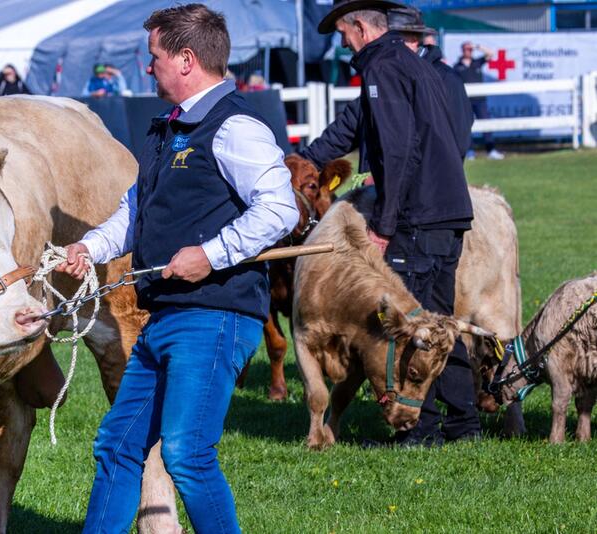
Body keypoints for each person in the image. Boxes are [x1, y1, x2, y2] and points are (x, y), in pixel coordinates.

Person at [57, 4, 299, 532]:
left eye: (155, 57)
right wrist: (90, 248)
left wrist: (210, 254)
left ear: (186, 60)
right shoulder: (167, 131)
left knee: (188, 454)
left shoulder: (235, 126)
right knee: (116, 446)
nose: (148, 67)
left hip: (214, 315)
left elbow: (281, 208)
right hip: (164, 315)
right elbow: (134, 211)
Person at [316, 0, 479, 446]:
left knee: (410, 328)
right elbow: (366, 130)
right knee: (442, 322)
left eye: (343, 32)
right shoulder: (409, 63)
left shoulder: (383, 68)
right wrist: (309, 159)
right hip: (447, 212)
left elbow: (397, 152)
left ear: (361, 28)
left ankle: (418, 429)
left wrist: (384, 226)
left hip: (417, 218)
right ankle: (465, 424)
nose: (343, 41)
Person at [303, 5, 472, 166]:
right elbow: (345, 130)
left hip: (426, 190)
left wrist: (389, 178)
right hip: (387, 188)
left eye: (393, 40)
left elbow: (455, 142)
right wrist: (303, 162)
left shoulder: (446, 80)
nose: (385, 45)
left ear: (413, 39)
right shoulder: (383, 76)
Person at [454, 41, 504, 159]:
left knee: (486, 124)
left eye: (470, 49)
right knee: (467, 126)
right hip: (466, 101)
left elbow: (491, 54)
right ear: (462, 50)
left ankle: (491, 150)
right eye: (467, 49)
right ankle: (470, 151)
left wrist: (477, 47)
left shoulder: (477, 62)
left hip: (480, 100)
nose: (469, 51)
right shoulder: (457, 66)